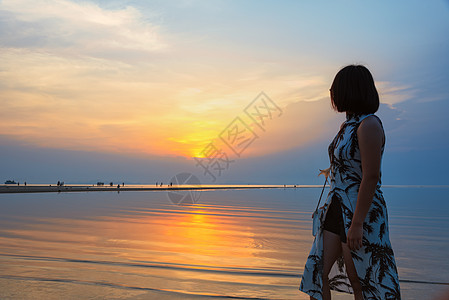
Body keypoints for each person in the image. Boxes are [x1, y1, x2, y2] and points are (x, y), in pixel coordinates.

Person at [299, 65, 401, 299]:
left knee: (361, 280)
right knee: (317, 273)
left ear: (350, 90)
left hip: (359, 211)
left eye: (336, 88)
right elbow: (349, 164)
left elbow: (371, 175)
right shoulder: (347, 125)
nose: (332, 93)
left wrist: (357, 224)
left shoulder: (369, 125)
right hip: (336, 208)